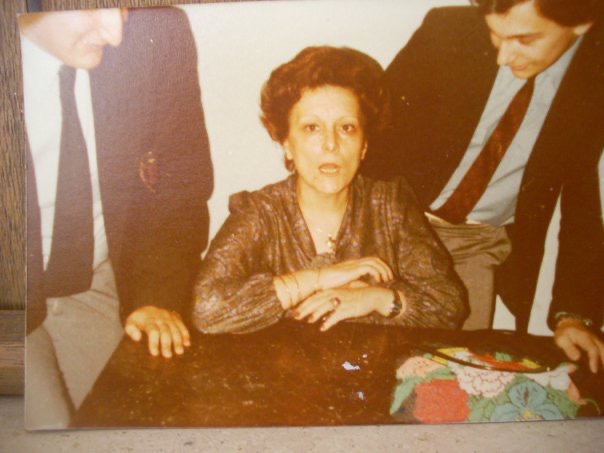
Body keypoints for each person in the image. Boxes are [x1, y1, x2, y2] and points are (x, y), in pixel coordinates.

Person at [361, 0, 603, 371]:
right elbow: (371, 137)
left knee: (453, 378)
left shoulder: (596, 79)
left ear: (581, 23)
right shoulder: (447, 31)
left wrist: (574, 315)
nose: (504, 56)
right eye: (495, 35)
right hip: (392, 227)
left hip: (475, 245)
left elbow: (580, 196)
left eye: (524, 40)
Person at [21, 8, 213, 428]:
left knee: (144, 422)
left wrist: (154, 295)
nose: (115, 33)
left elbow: (179, 189)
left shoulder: (156, 31)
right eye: (91, 7)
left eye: (122, 6)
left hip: (98, 278)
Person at [192, 46, 466, 335]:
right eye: (312, 128)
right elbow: (206, 310)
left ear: (364, 145)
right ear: (286, 143)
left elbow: (448, 305)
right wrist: (319, 278)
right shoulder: (261, 212)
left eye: (346, 128)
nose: (331, 144)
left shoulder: (389, 205)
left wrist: (378, 299)